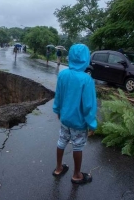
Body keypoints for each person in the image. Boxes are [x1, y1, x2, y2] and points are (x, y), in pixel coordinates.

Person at [52, 44, 97, 184]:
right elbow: (88, 105)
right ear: (86, 58)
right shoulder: (86, 79)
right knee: (77, 146)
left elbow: (58, 95)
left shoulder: (63, 74)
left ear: (70, 56)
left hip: (65, 119)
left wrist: (58, 110)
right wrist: (92, 124)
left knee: (61, 141)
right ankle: (77, 175)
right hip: (79, 122)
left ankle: (58, 168)